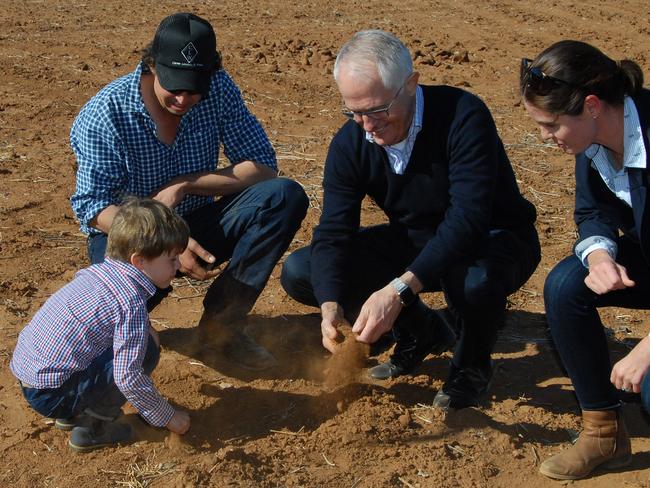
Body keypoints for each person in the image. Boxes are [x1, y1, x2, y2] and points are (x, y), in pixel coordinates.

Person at [281, 30, 540, 409]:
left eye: (377, 110)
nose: (367, 125)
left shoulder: (463, 115)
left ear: (411, 84)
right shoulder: (351, 143)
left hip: (492, 240)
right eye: (354, 112)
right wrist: (331, 305)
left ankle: (470, 367)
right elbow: (335, 230)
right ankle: (424, 332)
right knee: (304, 270)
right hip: (418, 239)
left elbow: (468, 219)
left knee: (471, 281)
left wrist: (398, 292)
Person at [69, 12, 309, 371]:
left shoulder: (220, 89)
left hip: (197, 222)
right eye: (174, 86)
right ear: (151, 65)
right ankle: (98, 392)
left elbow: (262, 166)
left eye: (194, 88)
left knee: (283, 196)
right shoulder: (106, 114)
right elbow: (92, 205)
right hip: (128, 240)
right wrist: (164, 241)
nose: (184, 98)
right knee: (115, 339)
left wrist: (185, 184)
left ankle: (222, 328)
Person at [520, 40, 647, 480]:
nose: (544, 137)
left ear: (591, 105)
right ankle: (603, 434)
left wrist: (648, 348)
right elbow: (591, 212)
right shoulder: (593, 142)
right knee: (565, 285)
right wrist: (598, 255)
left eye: (550, 124)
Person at [11, 198, 191, 452]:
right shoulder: (129, 302)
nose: (178, 266)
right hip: (51, 394)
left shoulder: (96, 273)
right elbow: (127, 377)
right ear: (138, 261)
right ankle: (94, 426)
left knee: (137, 337)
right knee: (147, 348)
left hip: (31, 378)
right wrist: (167, 416)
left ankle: (72, 410)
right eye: (172, 260)